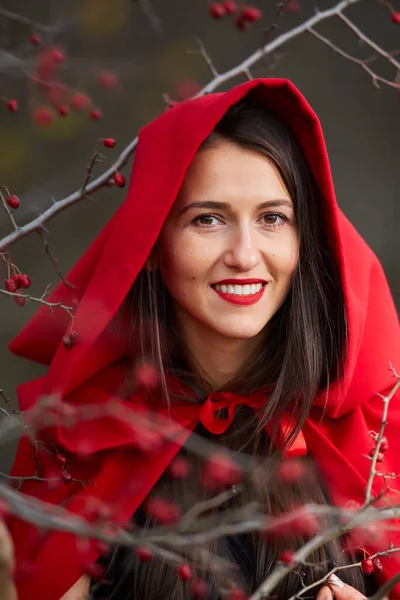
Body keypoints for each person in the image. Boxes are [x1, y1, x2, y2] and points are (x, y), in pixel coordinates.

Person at [3, 78, 400, 600]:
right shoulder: (86, 434)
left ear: (305, 240)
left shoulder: (371, 434)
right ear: (150, 243)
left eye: (272, 219)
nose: (244, 253)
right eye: (208, 219)